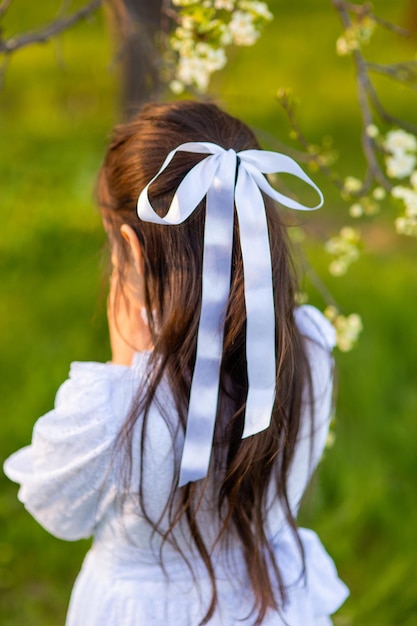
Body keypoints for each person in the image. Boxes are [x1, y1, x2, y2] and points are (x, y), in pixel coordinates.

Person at [4, 100, 349, 625]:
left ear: (132, 252)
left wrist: (125, 369)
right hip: (273, 604)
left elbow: (57, 510)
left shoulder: (113, 405)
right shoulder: (309, 349)